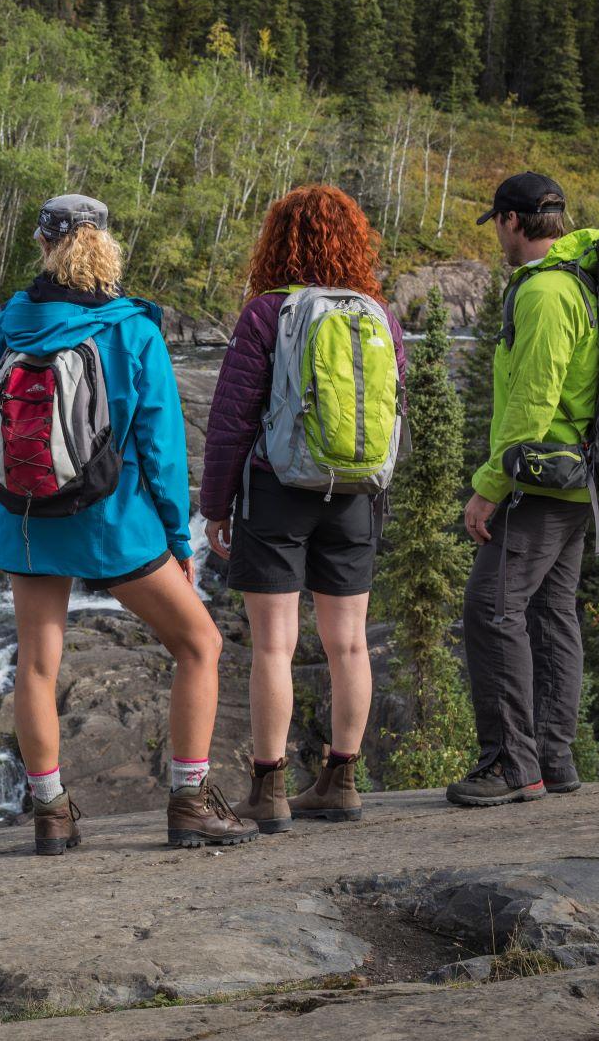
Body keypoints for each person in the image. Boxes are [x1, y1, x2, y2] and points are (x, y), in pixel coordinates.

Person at [0, 194, 254, 855]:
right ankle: (187, 802)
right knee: (199, 645)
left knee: (38, 665)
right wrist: (177, 540)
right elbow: (160, 446)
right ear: (105, 247)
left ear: (43, 243)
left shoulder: (8, 325)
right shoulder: (132, 330)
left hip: (27, 520)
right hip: (113, 523)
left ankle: (51, 813)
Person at [201, 184, 407, 833]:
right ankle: (339, 779)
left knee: (273, 646)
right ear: (353, 243)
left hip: (277, 490)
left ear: (277, 243)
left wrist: (214, 505)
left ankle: (270, 790)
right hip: (356, 495)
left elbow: (232, 419)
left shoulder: (267, 313)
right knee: (349, 645)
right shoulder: (379, 314)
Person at [446, 173, 599, 807]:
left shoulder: (544, 294)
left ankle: (513, 766)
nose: (500, 240)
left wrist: (488, 486)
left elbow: (534, 399)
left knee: (492, 607)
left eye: (499, 226)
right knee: (551, 613)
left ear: (513, 221)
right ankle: (556, 760)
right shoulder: (580, 281)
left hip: (540, 482)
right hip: (577, 482)